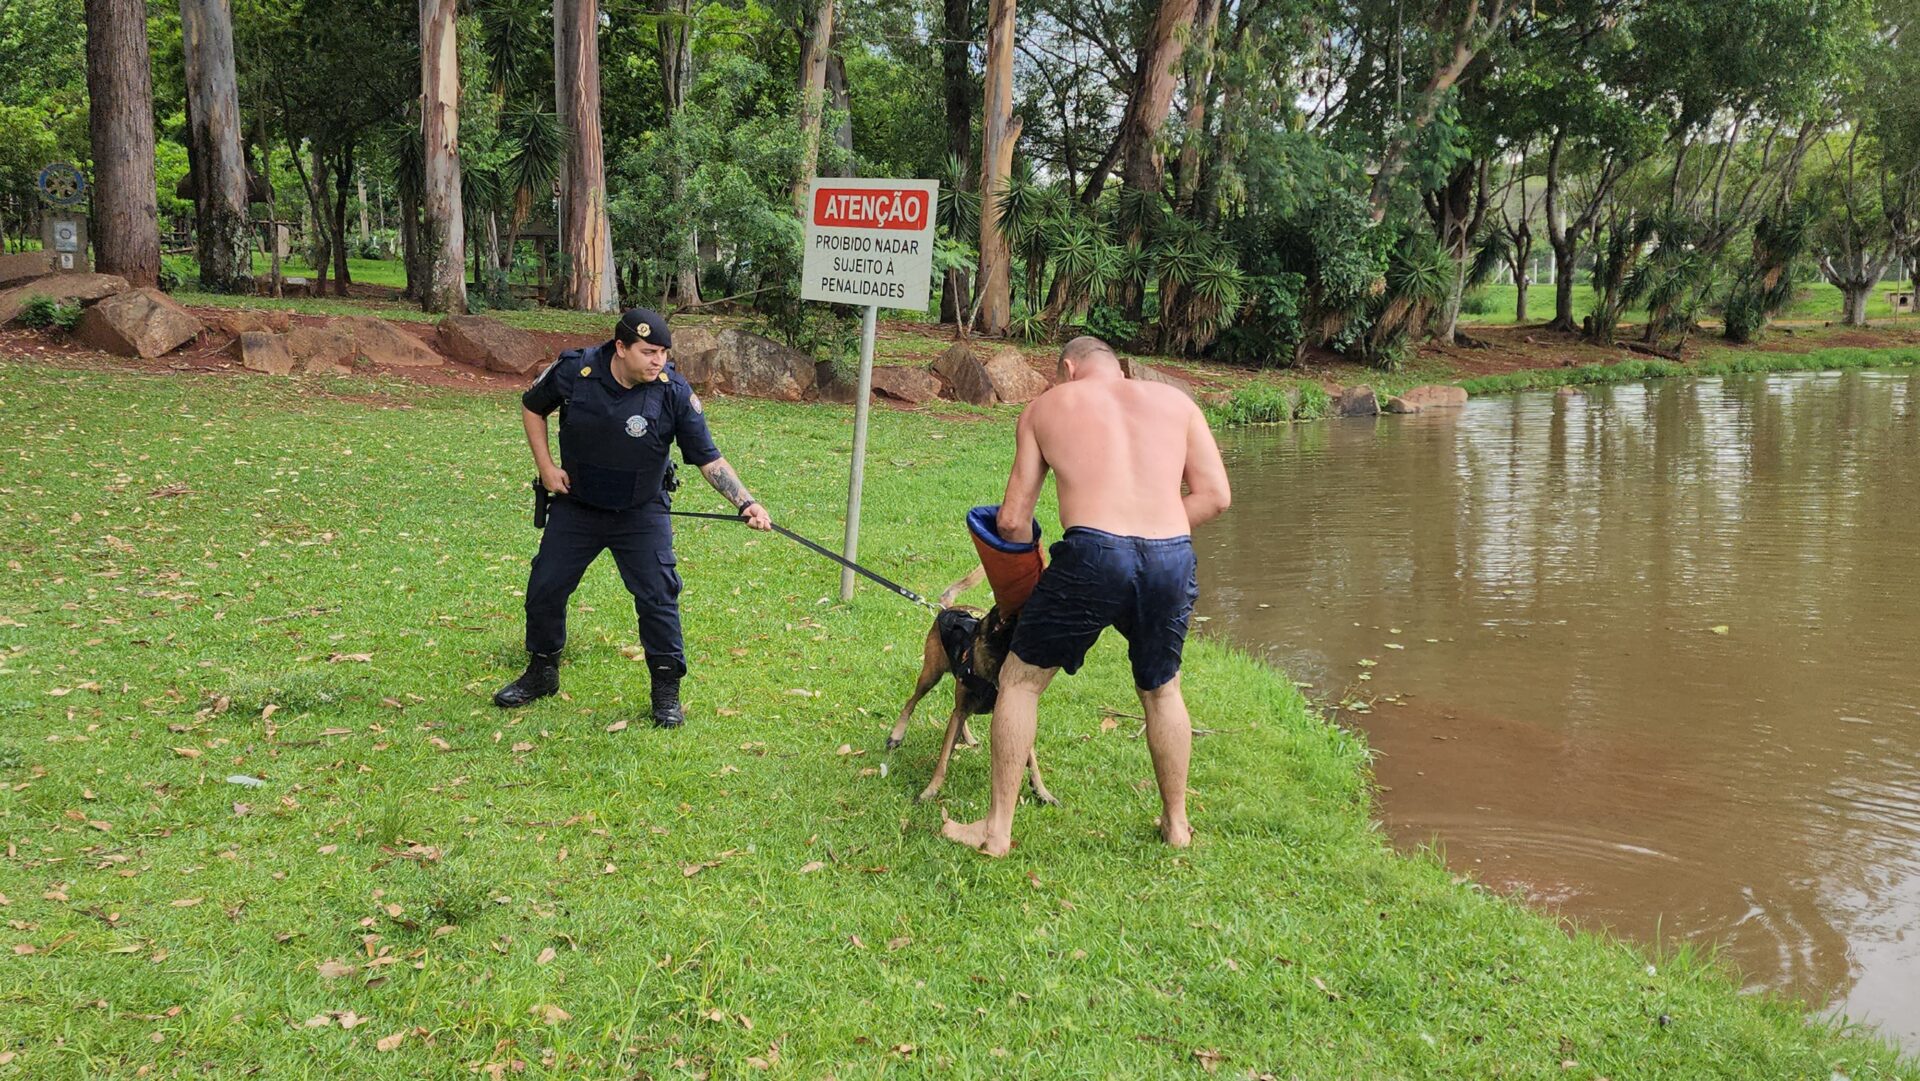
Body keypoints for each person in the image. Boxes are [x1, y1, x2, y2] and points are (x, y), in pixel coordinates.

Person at [942, 336, 1231, 856]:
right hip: (1170, 555)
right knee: (1163, 690)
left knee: (1021, 681)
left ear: (1070, 370)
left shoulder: (1045, 407)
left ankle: (997, 830)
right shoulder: (1177, 403)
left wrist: (1027, 575)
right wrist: (1152, 531)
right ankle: (1177, 825)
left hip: (1092, 554)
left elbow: (1011, 520)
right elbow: (1215, 496)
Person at [493, 307, 772, 727]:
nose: (658, 360)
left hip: (641, 511)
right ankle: (542, 671)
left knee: (658, 598)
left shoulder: (672, 390)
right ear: (620, 348)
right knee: (545, 587)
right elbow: (532, 407)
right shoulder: (575, 371)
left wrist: (745, 502)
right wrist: (546, 468)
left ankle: (665, 691)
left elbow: (708, 457)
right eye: (648, 351)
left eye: (663, 351)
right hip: (578, 506)